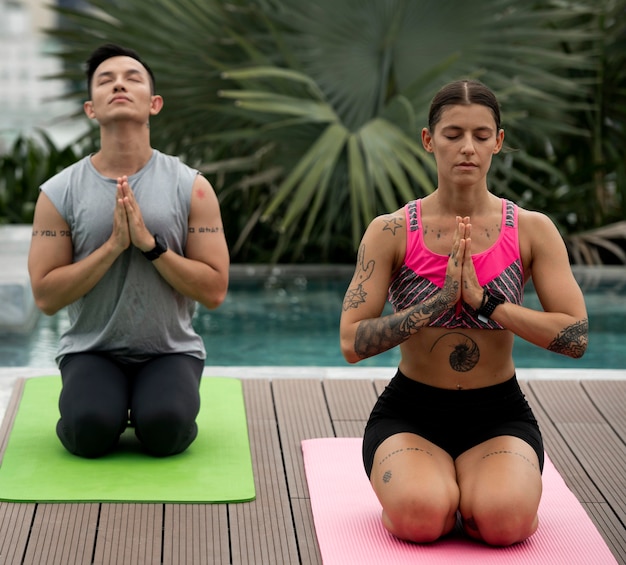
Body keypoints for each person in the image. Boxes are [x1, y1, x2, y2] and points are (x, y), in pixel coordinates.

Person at [339, 79, 588, 546]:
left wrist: (486, 302)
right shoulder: (390, 231)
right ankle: (438, 492)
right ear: (429, 141)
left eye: (480, 135)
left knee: (504, 523)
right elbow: (352, 342)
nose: (467, 148)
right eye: (453, 135)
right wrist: (436, 302)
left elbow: (574, 336)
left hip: (497, 413)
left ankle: (476, 496)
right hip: (411, 411)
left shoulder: (533, 230)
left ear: (499, 141)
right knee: (422, 518)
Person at [28, 44, 229, 458]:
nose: (119, 83)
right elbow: (46, 298)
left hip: (168, 350)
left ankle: (146, 405)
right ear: (91, 109)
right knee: (88, 433)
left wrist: (150, 247)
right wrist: (113, 247)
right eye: (106, 80)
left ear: (154, 104)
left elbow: (214, 290)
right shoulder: (58, 192)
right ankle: (106, 406)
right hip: (92, 349)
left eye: (132, 77)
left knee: (166, 432)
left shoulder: (192, 186)